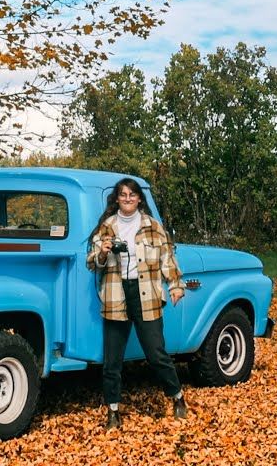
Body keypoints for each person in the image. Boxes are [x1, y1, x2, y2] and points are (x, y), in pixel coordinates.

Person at [86, 177, 188, 429]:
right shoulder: (107, 227)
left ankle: (177, 397)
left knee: (156, 354)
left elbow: (167, 258)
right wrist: (102, 252)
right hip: (115, 294)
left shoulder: (153, 226)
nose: (128, 198)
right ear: (117, 199)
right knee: (112, 360)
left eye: (132, 194)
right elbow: (92, 263)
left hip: (147, 294)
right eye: (123, 194)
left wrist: (175, 285)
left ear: (139, 198)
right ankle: (113, 412)